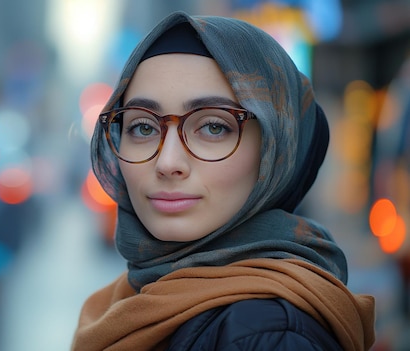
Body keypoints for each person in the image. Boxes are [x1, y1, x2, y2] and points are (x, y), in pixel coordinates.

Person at [71, 11, 375, 351]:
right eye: (143, 127)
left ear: (275, 149)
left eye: (214, 127)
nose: (168, 163)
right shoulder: (129, 301)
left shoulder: (270, 334)